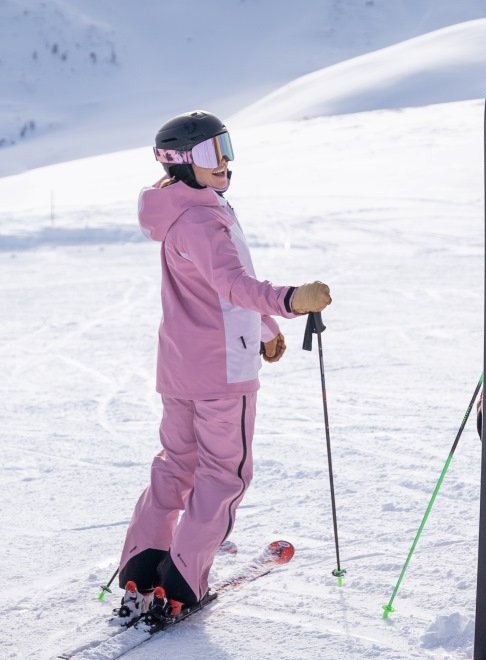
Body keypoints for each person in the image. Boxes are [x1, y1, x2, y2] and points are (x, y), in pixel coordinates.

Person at [112, 110, 332, 623]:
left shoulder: (176, 212)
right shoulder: (205, 218)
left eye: (227, 146)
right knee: (223, 474)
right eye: (213, 152)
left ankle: (141, 570)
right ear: (183, 163)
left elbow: (221, 292)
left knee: (176, 467)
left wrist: (267, 333)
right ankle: (183, 582)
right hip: (221, 374)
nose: (226, 160)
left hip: (181, 368)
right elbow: (236, 285)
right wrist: (290, 301)